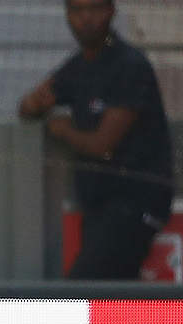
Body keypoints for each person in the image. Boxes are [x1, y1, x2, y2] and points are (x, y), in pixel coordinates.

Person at [18, 0, 174, 280]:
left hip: (136, 203)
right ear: (67, 15)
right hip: (100, 206)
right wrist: (33, 103)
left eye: (95, 8)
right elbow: (28, 107)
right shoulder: (79, 67)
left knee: (84, 289)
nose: (86, 18)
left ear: (112, 11)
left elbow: (103, 146)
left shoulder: (130, 66)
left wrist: (63, 130)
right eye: (77, 10)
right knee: (113, 296)